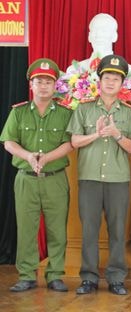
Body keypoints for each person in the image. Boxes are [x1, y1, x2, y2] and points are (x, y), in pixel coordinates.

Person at [67, 54, 131, 295]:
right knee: (89, 229)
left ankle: (116, 278)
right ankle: (88, 278)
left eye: (116, 79)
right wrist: (97, 135)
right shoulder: (85, 109)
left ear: (122, 84)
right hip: (89, 178)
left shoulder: (129, 113)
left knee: (118, 231)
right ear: (99, 81)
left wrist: (117, 134)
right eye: (107, 77)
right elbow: (75, 141)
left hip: (118, 180)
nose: (111, 82)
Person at [0, 59, 73, 292]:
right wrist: (28, 156)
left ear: (55, 86)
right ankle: (27, 274)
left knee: (57, 229)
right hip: (26, 178)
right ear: (31, 84)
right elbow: (8, 142)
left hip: (55, 178)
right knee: (27, 228)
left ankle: (55, 275)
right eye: (39, 81)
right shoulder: (19, 112)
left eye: (48, 81)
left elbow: (70, 143)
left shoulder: (64, 113)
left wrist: (46, 158)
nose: (43, 86)